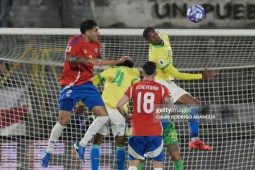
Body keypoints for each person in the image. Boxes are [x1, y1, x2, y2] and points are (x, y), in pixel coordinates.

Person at [40, 19, 130, 168]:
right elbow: (69, 58)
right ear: (87, 32)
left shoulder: (97, 45)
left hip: (87, 84)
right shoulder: (75, 40)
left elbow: (99, 61)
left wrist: (118, 61)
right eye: (96, 30)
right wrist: (88, 60)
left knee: (103, 116)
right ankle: (48, 151)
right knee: (63, 121)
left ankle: (81, 145)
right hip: (70, 84)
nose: (98, 33)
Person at [138, 27, 217, 169]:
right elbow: (178, 74)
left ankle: (194, 140)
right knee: (164, 117)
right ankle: (146, 144)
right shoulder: (157, 55)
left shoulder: (164, 37)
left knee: (193, 104)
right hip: (160, 82)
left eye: (155, 33)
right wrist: (200, 76)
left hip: (168, 81)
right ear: (148, 41)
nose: (155, 37)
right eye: (151, 37)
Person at [117, 61, 172, 170]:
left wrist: (126, 115)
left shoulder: (134, 87)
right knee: (157, 166)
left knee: (133, 165)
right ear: (156, 73)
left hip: (137, 132)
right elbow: (169, 107)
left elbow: (119, 105)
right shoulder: (162, 88)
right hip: (155, 132)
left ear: (142, 72)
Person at [90, 60, 140, 170]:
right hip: (120, 111)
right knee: (120, 143)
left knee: (97, 141)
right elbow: (138, 88)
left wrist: (82, 102)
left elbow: (91, 82)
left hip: (104, 110)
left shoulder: (109, 71)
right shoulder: (134, 73)